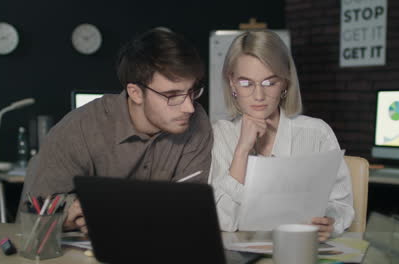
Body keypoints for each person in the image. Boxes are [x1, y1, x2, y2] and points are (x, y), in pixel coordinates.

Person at [22, 28, 213, 234]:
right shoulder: (80, 128)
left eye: (192, 91)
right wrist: (73, 215)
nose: (189, 107)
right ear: (136, 93)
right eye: (172, 95)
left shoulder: (197, 122)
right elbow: (31, 213)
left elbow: (192, 210)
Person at [208, 30, 354, 241]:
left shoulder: (317, 134)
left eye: (269, 82)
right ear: (232, 83)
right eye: (246, 83)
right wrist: (241, 151)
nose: (258, 96)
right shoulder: (220, 135)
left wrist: (330, 221)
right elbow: (223, 221)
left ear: (285, 82)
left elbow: (341, 206)